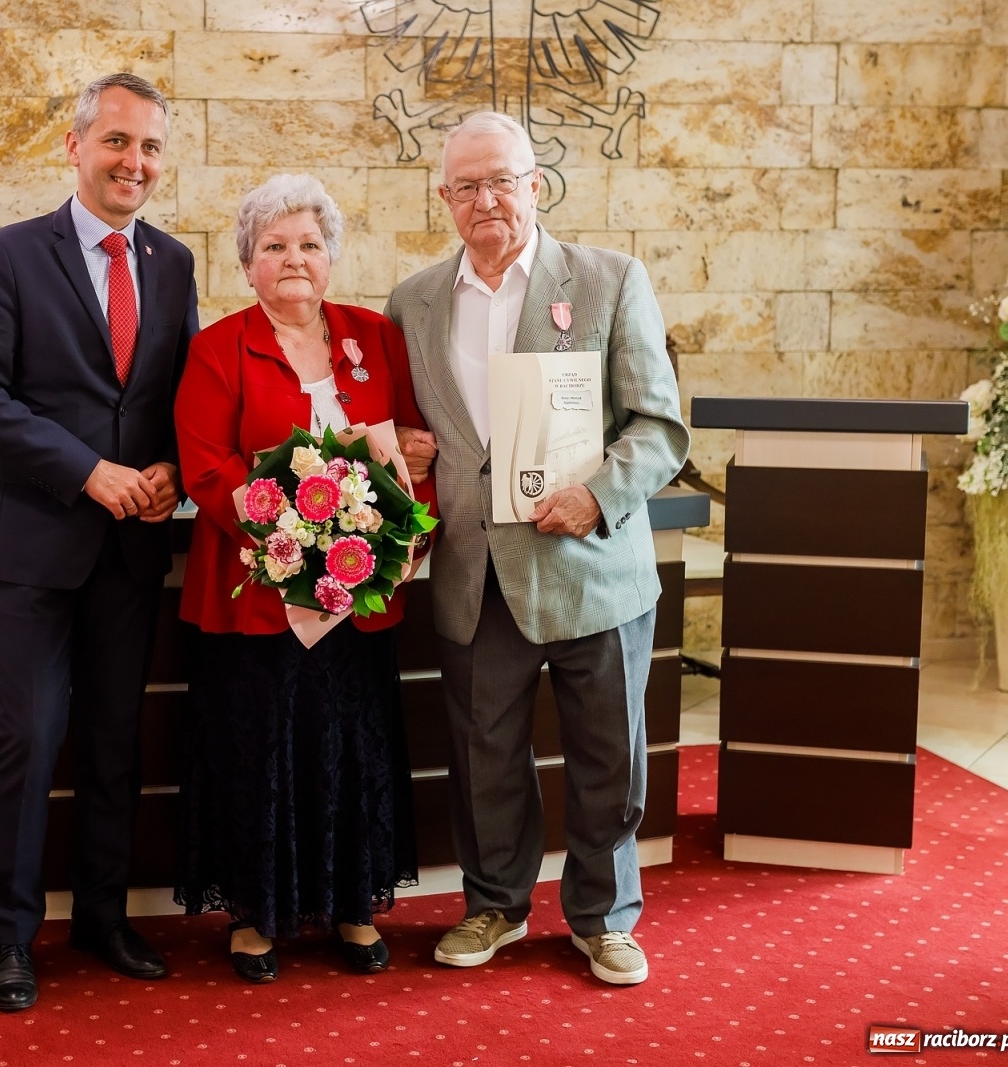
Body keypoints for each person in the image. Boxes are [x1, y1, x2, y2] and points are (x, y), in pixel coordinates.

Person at [383, 113, 688, 986]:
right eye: (467, 185)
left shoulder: (608, 280)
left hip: (592, 566)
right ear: (445, 198)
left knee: (608, 757)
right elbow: (416, 428)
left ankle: (605, 915)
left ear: (536, 185)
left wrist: (597, 495)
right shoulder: (412, 302)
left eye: (502, 181)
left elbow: (660, 428)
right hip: (476, 579)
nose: (487, 200)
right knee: (485, 755)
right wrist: (402, 446)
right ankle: (494, 904)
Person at [0, 72, 199, 1012]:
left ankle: (102, 916)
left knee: (111, 743)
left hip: (132, 549)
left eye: (151, 148)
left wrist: (172, 463)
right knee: (30, 736)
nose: (135, 162)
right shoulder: (9, 255)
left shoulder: (172, 264)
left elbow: (177, 391)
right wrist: (88, 470)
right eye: (118, 142)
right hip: (33, 549)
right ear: (76, 145)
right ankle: (11, 937)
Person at [172, 173, 435, 983]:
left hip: (360, 601)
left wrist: (405, 497)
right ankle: (257, 914)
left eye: (309, 245)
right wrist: (289, 540)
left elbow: (415, 443)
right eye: (275, 245)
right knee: (261, 753)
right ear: (247, 262)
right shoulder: (219, 347)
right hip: (254, 596)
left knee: (352, 750)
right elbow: (204, 466)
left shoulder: (374, 336)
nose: (294, 259)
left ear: (332, 258)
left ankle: (354, 903)